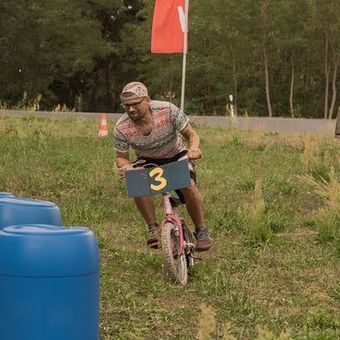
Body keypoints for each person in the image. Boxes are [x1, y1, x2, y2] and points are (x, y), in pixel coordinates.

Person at [113, 81, 212, 251]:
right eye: (126, 106)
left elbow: (191, 134)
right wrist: (126, 166)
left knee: (188, 185)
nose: (131, 110)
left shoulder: (167, 110)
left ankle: (201, 230)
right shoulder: (121, 127)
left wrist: (194, 148)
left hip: (176, 155)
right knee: (136, 180)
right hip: (147, 160)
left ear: (148, 100)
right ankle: (153, 228)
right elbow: (121, 158)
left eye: (135, 104)